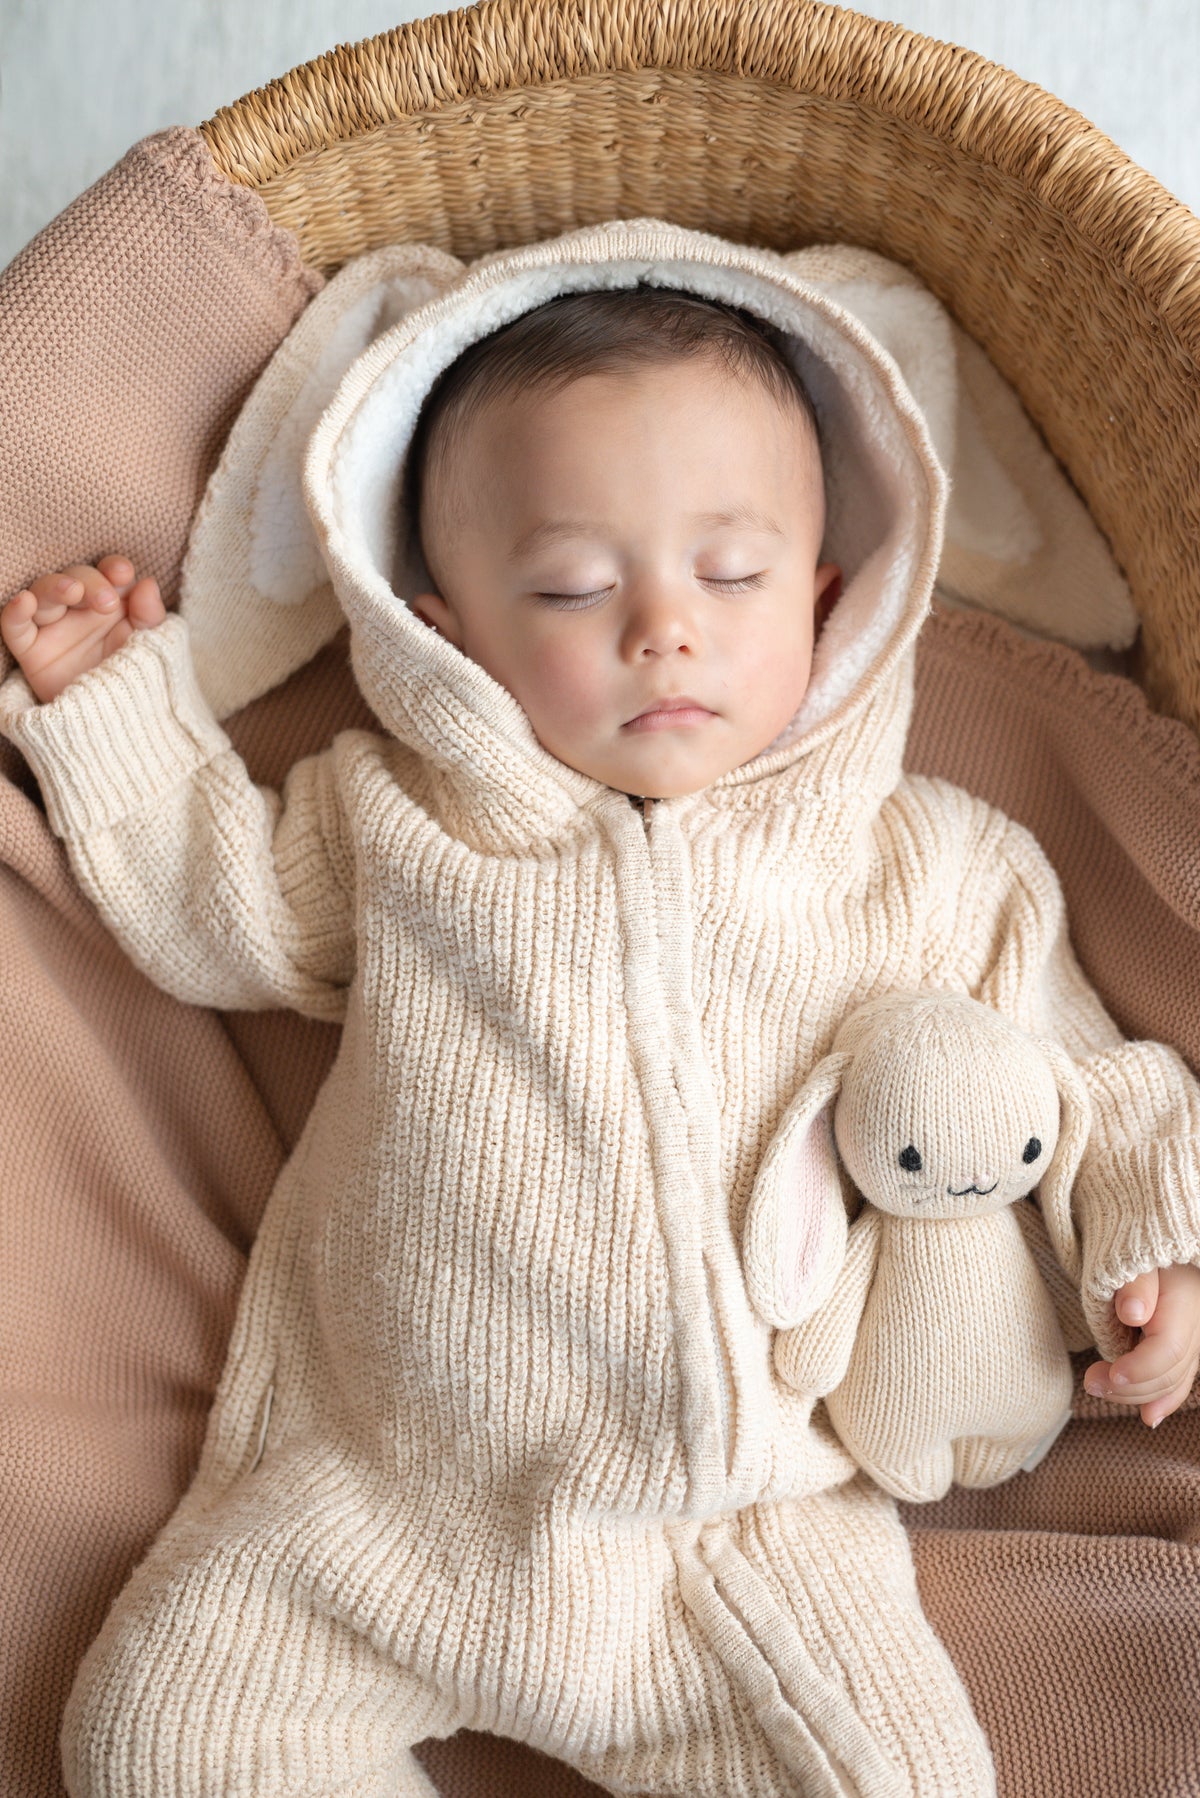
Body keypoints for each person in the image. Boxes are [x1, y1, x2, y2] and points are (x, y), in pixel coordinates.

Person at [2, 218, 1199, 1798]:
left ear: (830, 597)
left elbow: (1082, 1067)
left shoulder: (916, 861)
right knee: (160, 1734)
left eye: (732, 569)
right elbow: (213, 906)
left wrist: (1151, 1239)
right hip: (376, 1499)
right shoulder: (398, 819)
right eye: (572, 584)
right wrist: (112, 705)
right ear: (445, 633)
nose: (664, 625)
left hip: (732, 1541)